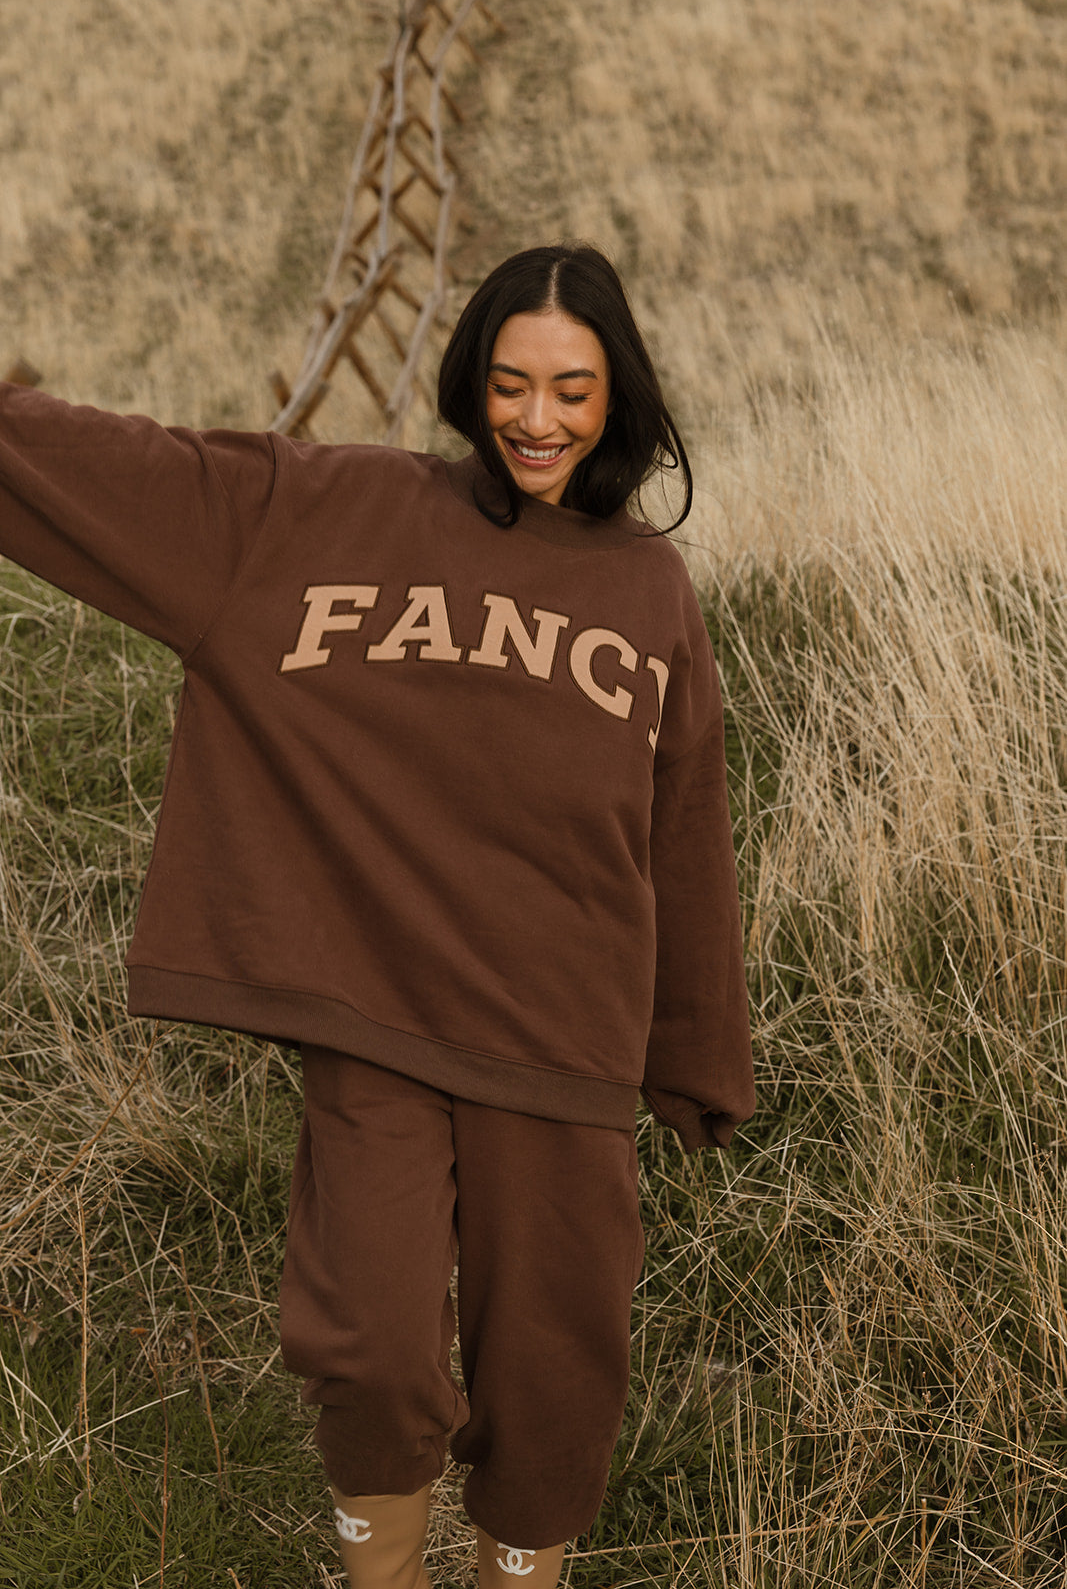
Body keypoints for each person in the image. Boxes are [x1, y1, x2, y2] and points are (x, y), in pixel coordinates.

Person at [0, 244, 754, 1588]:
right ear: (470, 380)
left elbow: (683, 829)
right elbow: (123, 474)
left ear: (618, 397)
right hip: (379, 1010)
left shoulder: (650, 590)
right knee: (372, 1347)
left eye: (572, 390)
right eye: (511, 384)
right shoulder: (330, 512)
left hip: (562, 1031)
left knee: (552, 1371)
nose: (537, 419)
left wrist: (695, 1051)